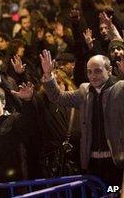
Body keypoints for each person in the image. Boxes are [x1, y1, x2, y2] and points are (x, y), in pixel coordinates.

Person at [40, 50, 124, 187]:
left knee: (113, 192)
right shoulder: (84, 90)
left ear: (109, 71)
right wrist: (49, 75)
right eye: (89, 72)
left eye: (97, 71)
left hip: (116, 161)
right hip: (92, 163)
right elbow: (57, 97)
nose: (93, 76)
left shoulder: (120, 88)